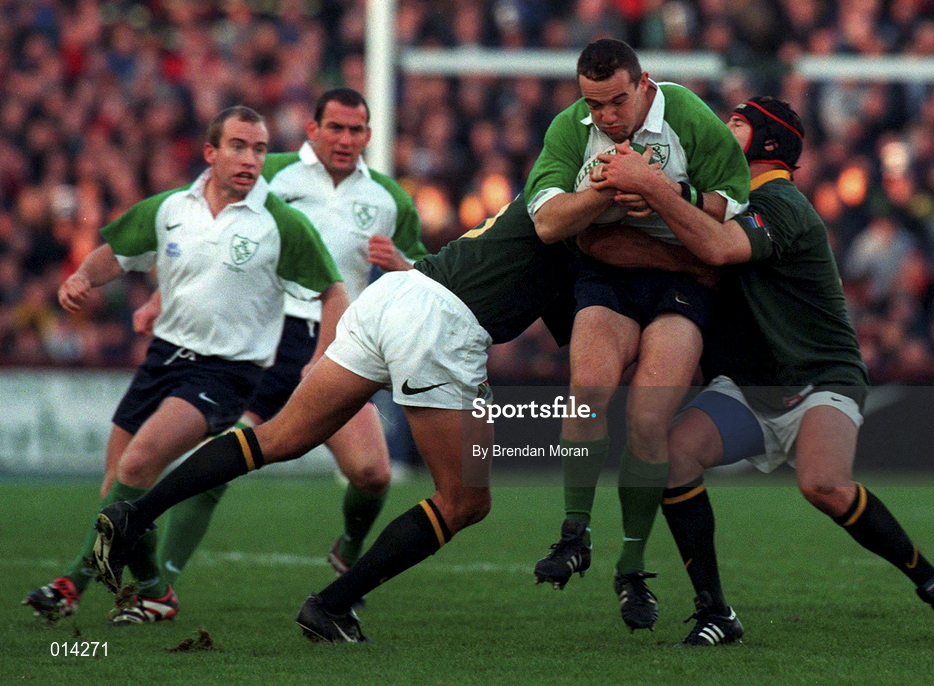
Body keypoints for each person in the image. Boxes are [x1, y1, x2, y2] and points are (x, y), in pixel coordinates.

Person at [581, 96, 934, 646]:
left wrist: (652, 188)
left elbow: (719, 251)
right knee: (674, 456)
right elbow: (666, 247)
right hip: (751, 387)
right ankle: (715, 612)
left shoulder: (782, 201)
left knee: (823, 483)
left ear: (769, 142)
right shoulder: (725, 200)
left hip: (819, 375)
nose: (722, 130)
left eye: (737, 124)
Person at [89, 195, 579, 643]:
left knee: (277, 438)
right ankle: (332, 604)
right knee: (465, 502)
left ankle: (135, 514)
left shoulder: (554, 192)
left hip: (395, 296)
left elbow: (571, 319)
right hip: (441, 325)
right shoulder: (589, 214)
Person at [22, 106, 345, 625]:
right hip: (163, 360)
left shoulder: (278, 223)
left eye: (260, 149)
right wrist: (82, 276)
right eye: (239, 146)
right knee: (115, 492)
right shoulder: (172, 208)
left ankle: (70, 585)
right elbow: (118, 253)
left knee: (136, 467)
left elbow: (334, 291)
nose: (251, 158)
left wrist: (321, 358)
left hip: (226, 373)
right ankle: (155, 592)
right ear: (211, 153)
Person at [133, 88, 428, 592]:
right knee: (220, 465)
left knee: (373, 475)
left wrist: (403, 265)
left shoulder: (389, 199)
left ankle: (351, 545)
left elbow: (425, 274)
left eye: (355, 130)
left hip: (341, 344)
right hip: (268, 338)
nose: (344, 139)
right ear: (313, 129)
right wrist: (163, 296)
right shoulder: (271, 173)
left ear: (369, 136)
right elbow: (207, 231)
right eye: (334, 127)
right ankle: (159, 586)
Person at [524, 38, 749, 631]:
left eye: (616, 102)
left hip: (681, 281)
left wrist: (659, 190)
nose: (604, 117)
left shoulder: (688, 116)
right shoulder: (572, 128)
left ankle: (632, 566)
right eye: (594, 105)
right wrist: (602, 189)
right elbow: (546, 221)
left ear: (644, 83)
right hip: (608, 274)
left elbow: (729, 204)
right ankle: (575, 533)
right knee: (588, 387)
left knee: (649, 419)